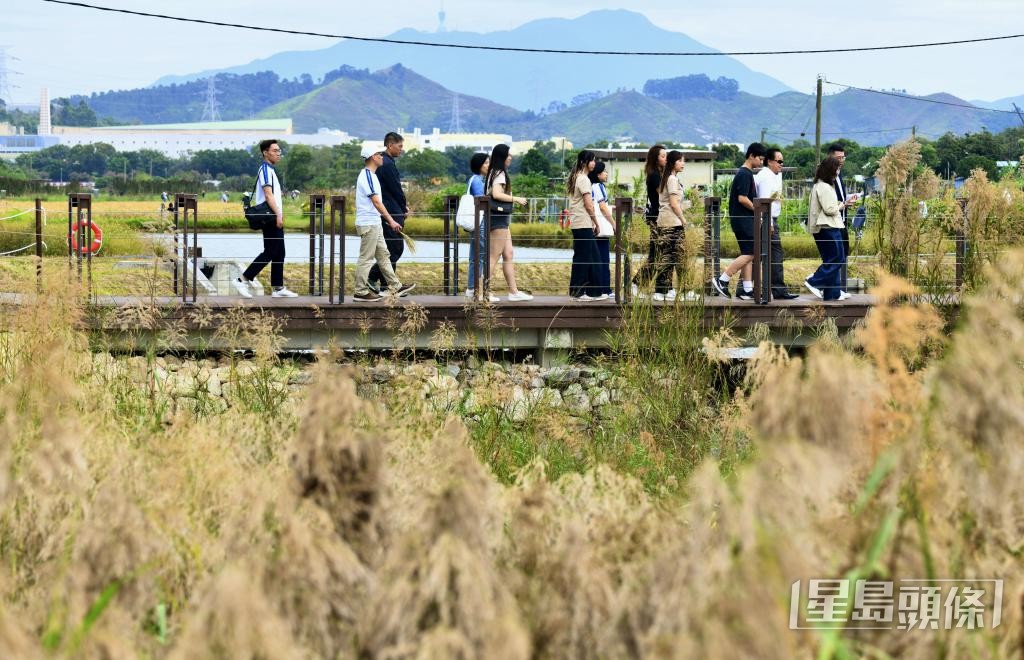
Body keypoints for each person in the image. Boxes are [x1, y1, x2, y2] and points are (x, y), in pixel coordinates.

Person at [234, 139, 298, 298]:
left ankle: (278, 288)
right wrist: (278, 215)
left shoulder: (270, 170)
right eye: (275, 151)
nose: (278, 154)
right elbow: (268, 195)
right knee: (270, 251)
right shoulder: (265, 170)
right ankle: (242, 279)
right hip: (270, 217)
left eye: (279, 151)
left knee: (280, 252)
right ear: (265, 152)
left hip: (274, 215)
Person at [352, 146, 416, 302]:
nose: (382, 156)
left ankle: (394, 285)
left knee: (384, 255)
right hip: (369, 224)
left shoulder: (372, 176)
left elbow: (377, 202)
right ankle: (360, 291)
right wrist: (391, 220)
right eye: (379, 154)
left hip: (374, 223)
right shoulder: (366, 175)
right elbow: (376, 201)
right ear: (373, 157)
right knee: (366, 258)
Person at [711, 142, 766, 300]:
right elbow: (742, 198)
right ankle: (723, 279)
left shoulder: (746, 173)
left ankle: (747, 289)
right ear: (751, 156)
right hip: (743, 220)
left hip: (742, 219)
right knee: (751, 252)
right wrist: (758, 210)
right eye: (760, 159)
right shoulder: (745, 174)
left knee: (748, 253)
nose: (761, 163)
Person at [484, 144, 534, 302]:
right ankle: (483, 292)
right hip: (498, 218)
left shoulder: (493, 172)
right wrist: (516, 199)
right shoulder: (499, 173)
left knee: (508, 254)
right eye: (508, 154)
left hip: (500, 219)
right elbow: (497, 194)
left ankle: (513, 291)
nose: (511, 157)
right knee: (494, 256)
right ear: (502, 157)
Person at [753, 147, 799, 299]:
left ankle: (745, 287)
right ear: (770, 161)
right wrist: (770, 224)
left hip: (769, 219)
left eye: (782, 161)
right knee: (775, 254)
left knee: (759, 254)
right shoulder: (766, 176)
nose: (781, 164)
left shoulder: (775, 175)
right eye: (779, 161)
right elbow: (765, 201)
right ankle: (778, 290)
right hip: (767, 220)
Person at [804, 156, 850, 302]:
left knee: (831, 259)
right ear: (831, 169)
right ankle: (814, 281)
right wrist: (843, 205)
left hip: (824, 227)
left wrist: (842, 203)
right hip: (829, 226)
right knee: (838, 258)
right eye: (837, 168)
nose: (838, 171)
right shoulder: (824, 186)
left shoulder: (820, 185)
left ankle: (832, 293)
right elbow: (830, 209)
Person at [368, 132, 409, 292]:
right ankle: (372, 276)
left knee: (390, 248)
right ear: (390, 145)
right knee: (395, 248)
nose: (401, 149)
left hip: (390, 209)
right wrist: (403, 206)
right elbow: (396, 189)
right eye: (399, 146)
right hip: (391, 211)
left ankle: (387, 286)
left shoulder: (385, 162)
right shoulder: (387, 164)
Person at [566, 150, 603, 301]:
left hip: (580, 222)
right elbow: (589, 205)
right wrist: (596, 222)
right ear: (583, 162)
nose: (594, 163)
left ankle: (593, 292)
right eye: (591, 160)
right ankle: (578, 292)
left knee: (590, 256)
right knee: (584, 257)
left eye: (594, 160)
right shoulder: (583, 179)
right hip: (582, 222)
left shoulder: (578, 177)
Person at [632, 144, 667, 296]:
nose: (666, 159)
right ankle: (636, 284)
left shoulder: (659, 173)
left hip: (660, 217)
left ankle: (661, 288)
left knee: (660, 254)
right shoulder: (654, 175)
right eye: (663, 156)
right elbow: (664, 194)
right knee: (656, 254)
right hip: (657, 218)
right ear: (655, 158)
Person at [653, 150, 687, 302]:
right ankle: (663, 290)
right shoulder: (672, 179)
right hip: (672, 222)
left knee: (668, 256)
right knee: (674, 256)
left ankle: (664, 290)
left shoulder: (669, 178)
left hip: (666, 221)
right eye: (680, 161)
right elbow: (673, 203)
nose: (683, 163)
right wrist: (683, 219)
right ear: (673, 163)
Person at [464, 152, 498, 302]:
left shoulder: (475, 179)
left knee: (475, 256)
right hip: (480, 221)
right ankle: (483, 291)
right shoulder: (478, 180)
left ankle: (471, 289)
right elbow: (482, 200)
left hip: (475, 221)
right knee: (484, 254)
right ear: (479, 165)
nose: (488, 165)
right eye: (485, 163)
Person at [826, 143, 855, 293]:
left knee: (843, 253)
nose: (842, 160)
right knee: (835, 256)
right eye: (839, 157)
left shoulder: (839, 173)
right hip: (832, 221)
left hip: (842, 220)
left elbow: (839, 197)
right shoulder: (826, 175)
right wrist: (843, 204)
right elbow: (828, 202)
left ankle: (838, 290)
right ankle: (828, 288)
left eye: (844, 157)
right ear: (830, 157)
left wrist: (847, 202)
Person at [589, 161, 616, 298]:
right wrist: (614, 223)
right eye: (604, 171)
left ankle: (601, 288)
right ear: (598, 174)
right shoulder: (599, 186)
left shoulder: (591, 186)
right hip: (601, 228)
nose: (606, 174)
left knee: (597, 258)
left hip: (593, 226)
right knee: (604, 258)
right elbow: (602, 207)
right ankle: (606, 289)